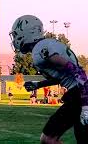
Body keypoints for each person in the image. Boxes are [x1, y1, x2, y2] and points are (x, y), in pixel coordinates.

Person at [10, 15, 88, 143]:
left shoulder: (40, 50)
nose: (14, 39)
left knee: (48, 139)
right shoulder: (45, 45)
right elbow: (63, 76)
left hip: (79, 95)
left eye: (16, 35)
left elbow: (79, 72)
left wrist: (85, 106)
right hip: (77, 95)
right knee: (48, 139)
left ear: (26, 33)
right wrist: (38, 85)